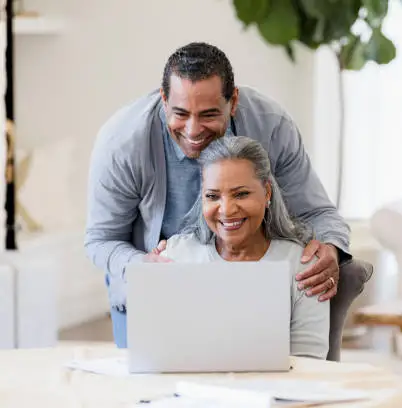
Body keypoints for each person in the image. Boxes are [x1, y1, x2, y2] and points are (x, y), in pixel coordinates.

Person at [84, 42, 352, 349]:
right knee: (148, 387)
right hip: (160, 282)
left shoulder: (272, 125)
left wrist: (330, 247)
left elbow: (317, 212)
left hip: (251, 281)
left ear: (233, 100)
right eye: (180, 113)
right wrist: (144, 268)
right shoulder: (121, 144)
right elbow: (101, 240)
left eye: (209, 115)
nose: (193, 130)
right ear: (163, 99)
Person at [157, 136, 329, 358]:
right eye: (212, 196)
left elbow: (310, 361)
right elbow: (160, 353)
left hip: (276, 390)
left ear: (267, 192)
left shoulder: (302, 266)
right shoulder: (174, 256)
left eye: (241, 194)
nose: (227, 210)